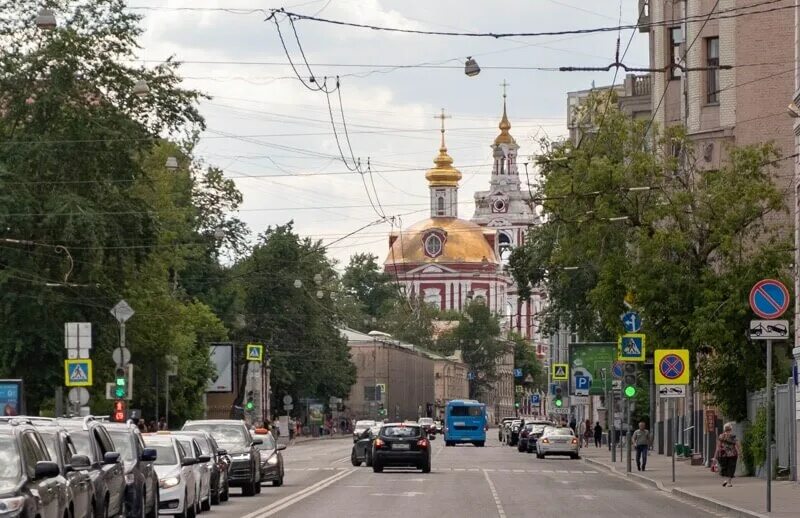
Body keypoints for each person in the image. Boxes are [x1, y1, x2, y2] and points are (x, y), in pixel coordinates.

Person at [716, 422, 740, 487]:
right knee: (731, 468)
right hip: (732, 454)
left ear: (724, 429)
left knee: (725, 468)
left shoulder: (721, 436)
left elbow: (718, 446)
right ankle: (728, 482)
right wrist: (739, 452)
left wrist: (716, 454)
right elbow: (737, 445)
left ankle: (726, 481)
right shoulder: (733, 436)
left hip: (723, 455)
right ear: (731, 429)